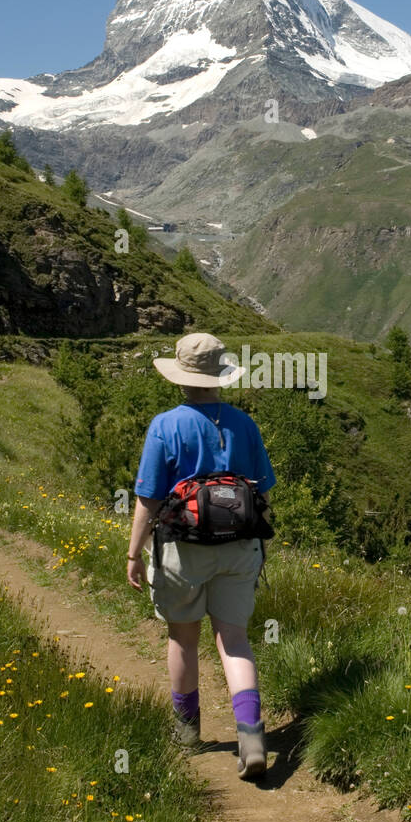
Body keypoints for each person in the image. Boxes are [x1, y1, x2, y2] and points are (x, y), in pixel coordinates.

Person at [127, 333, 275, 779]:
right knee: (234, 639)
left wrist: (134, 552)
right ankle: (251, 736)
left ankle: (187, 732)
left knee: (183, 638)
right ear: (219, 375)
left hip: (183, 549)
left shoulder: (166, 425)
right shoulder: (244, 424)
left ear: (181, 376)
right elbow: (263, 489)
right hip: (239, 546)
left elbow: (148, 499)